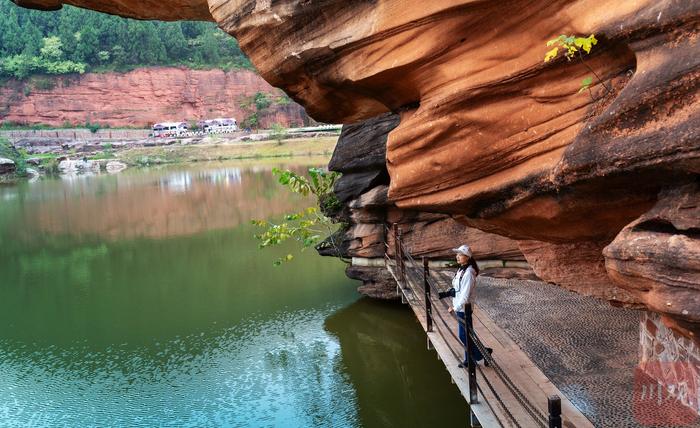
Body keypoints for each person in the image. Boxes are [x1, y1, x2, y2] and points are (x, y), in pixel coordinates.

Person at [446, 244, 492, 368]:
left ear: (467, 257)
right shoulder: (462, 269)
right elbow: (458, 288)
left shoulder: (469, 273)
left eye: (460, 254)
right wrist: (450, 292)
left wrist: (454, 308)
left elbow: (465, 295)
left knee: (464, 335)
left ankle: (482, 354)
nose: (457, 256)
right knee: (467, 335)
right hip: (460, 307)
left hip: (464, 308)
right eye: (457, 254)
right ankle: (471, 358)